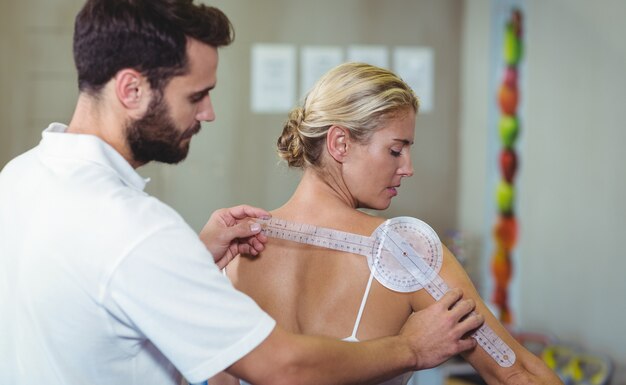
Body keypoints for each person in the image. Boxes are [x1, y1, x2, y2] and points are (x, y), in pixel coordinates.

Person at [0, 0, 486, 385]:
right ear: (130, 88)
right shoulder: (139, 232)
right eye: (196, 96)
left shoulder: (19, 179)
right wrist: (410, 348)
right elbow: (282, 366)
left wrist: (188, 258)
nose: (208, 114)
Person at [216, 62, 564, 385]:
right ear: (340, 143)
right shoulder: (403, 249)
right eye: (396, 150)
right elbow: (515, 372)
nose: (408, 168)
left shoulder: (233, 250)